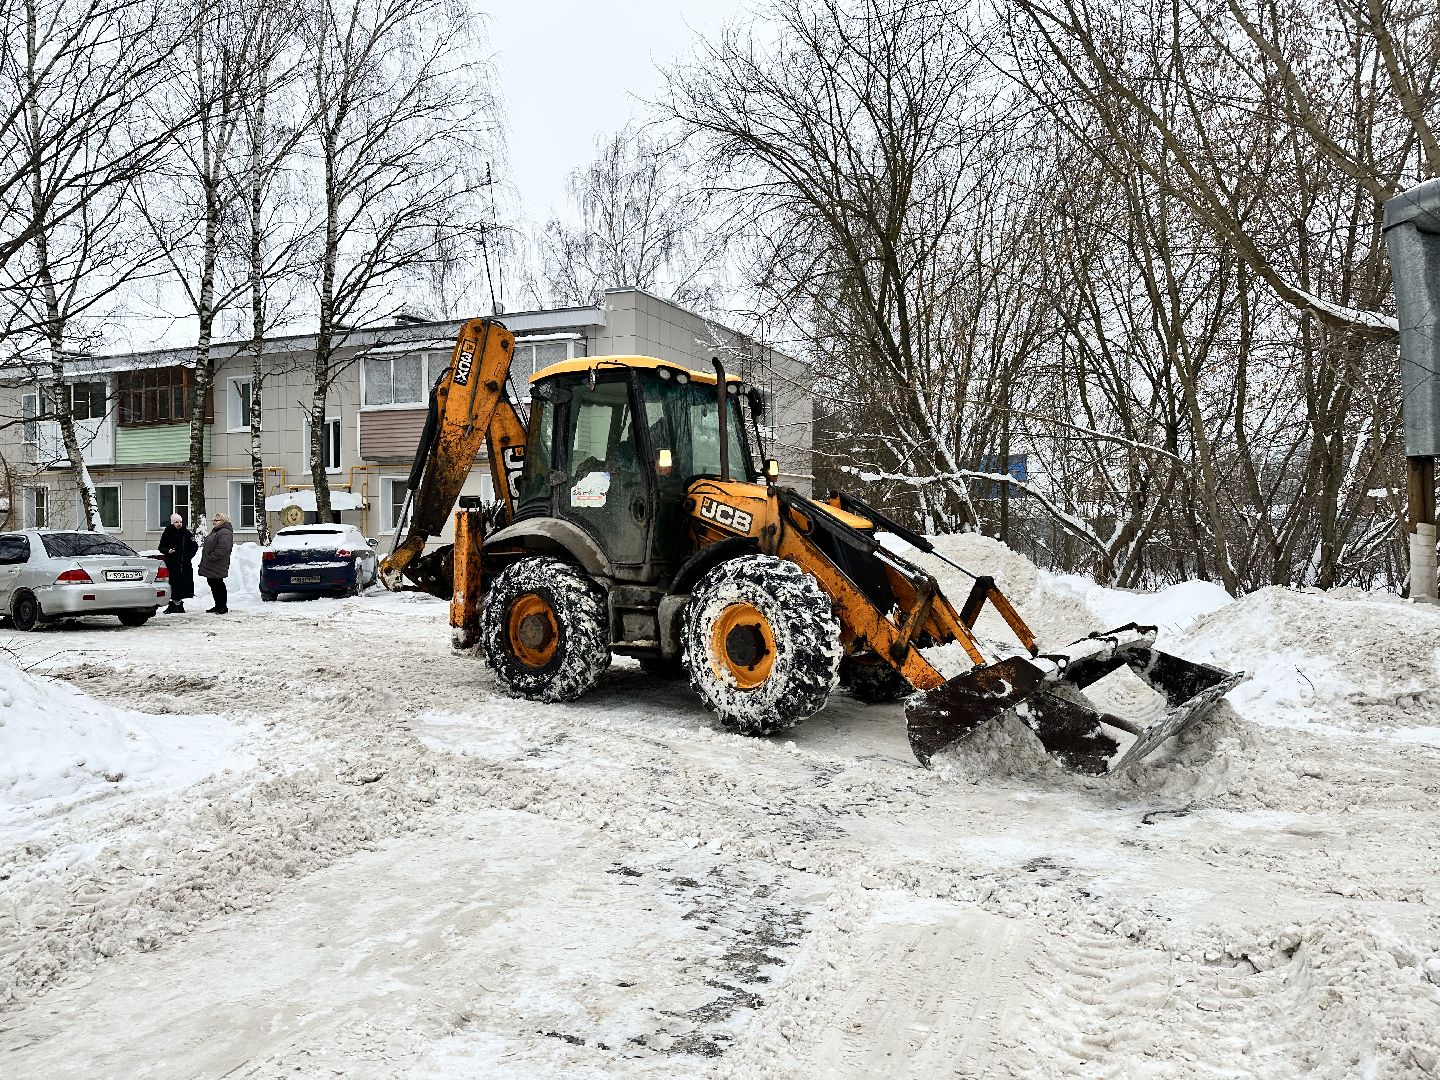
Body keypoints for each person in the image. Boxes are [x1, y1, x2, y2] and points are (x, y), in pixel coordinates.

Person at [158, 512, 198, 614]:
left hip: (184, 565)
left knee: (182, 584)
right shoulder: (167, 533)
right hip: (172, 564)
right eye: (176, 522)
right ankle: (175, 604)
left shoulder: (187, 533)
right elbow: (161, 547)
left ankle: (178, 604)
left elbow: (194, 546)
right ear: (172, 523)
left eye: (180, 522)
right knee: (173, 584)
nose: (179, 524)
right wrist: (168, 550)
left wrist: (188, 556)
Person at [199, 512, 234, 614]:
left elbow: (223, 548)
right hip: (212, 563)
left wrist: (211, 557)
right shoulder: (217, 531)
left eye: (216, 520)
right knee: (213, 583)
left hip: (217, 563)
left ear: (223, 521)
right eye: (214, 520)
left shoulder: (225, 532)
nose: (214, 522)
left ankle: (222, 606)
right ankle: (218, 605)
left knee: (218, 584)